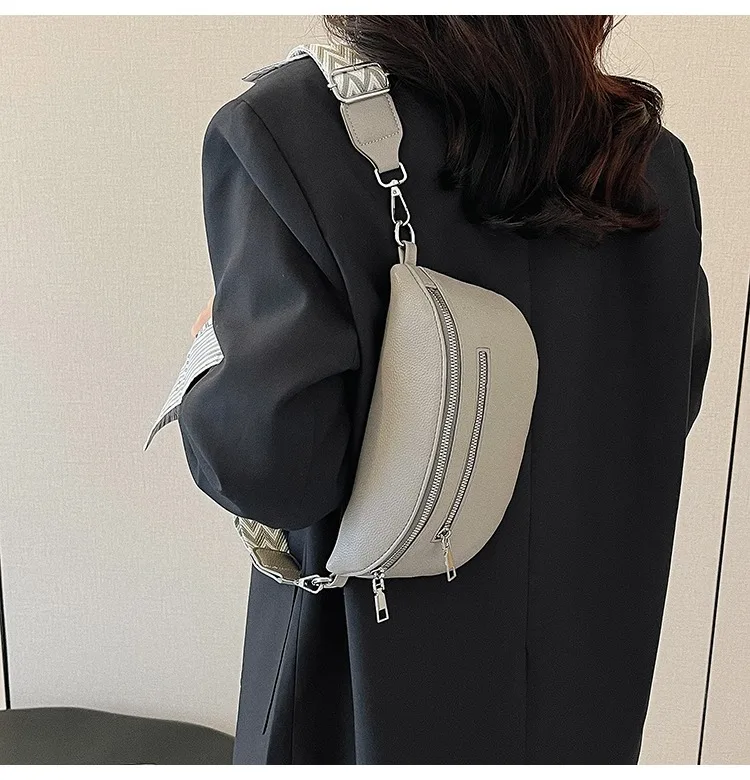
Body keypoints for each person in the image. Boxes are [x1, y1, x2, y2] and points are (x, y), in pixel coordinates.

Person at [152, 16, 712, 764]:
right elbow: (665, 398)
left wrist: (210, 345)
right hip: (586, 682)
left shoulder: (297, 126)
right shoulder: (643, 159)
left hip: (361, 693)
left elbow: (268, 464)